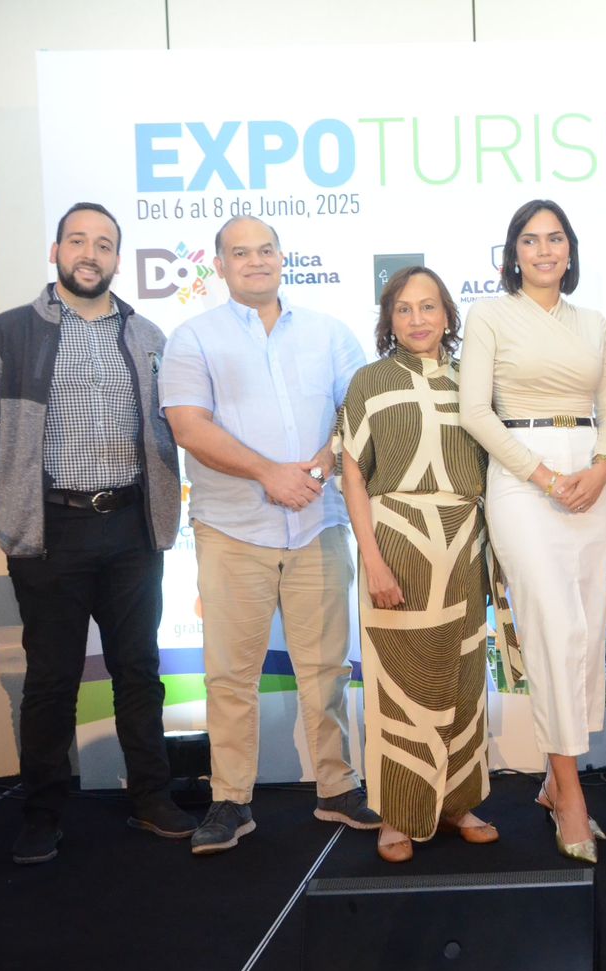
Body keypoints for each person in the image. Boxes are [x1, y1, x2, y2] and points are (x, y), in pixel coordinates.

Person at [0, 201, 196, 864]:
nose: (91, 254)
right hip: (49, 532)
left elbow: (174, 425)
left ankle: (151, 798)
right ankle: (42, 813)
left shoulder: (148, 335)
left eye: (104, 244)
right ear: (56, 251)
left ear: (117, 258)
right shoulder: (8, 333)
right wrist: (22, 482)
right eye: (78, 241)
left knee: (139, 671)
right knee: (52, 680)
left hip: (132, 529)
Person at [161, 215, 379, 856]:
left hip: (318, 524)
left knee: (327, 669)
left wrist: (318, 467)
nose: (255, 261)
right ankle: (231, 799)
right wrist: (269, 473)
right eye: (240, 252)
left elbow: (357, 415)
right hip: (233, 529)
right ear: (220, 266)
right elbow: (188, 427)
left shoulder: (329, 333)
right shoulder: (193, 338)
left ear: (283, 258)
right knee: (231, 675)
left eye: (265, 250)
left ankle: (336, 787)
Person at [458, 200, 606, 864]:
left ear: (570, 250)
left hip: (592, 479)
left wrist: (602, 466)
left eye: (556, 238)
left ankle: (557, 783)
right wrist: (546, 477)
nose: (545, 249)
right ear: (513, 254)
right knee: (553, 627)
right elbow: (475, 411)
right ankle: (571, 794)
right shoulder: (489, 316)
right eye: (531, 240)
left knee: (584, 629)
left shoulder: (594, 322)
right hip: (523, 479)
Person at [338, 266, 517, 863]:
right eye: (404, 309)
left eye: (429, 306)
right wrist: (373, 561)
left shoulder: (472, 380)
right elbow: (353, 476)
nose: (417, 319)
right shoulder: (369, 381)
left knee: (463, 680)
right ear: (389, 320)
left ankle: (457, 805)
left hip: (465, 545)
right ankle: (397, 815)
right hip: (396, 545)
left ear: (448, 315)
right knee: (400, 688)